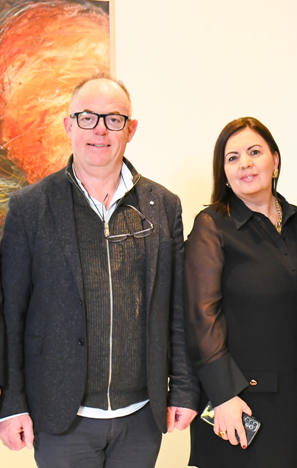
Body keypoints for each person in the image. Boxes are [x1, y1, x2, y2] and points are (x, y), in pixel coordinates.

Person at [0, 75, 199, 467]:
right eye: (87, 117)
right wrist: (11, 403)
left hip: (141, 416)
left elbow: (177, 308)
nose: (100, 130)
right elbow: (10, 315)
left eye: (113, 119)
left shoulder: (163, 205)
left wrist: (184, 388)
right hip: (59, 417)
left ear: (131, 129)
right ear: (68, 125)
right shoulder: (30, 207)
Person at [183, 117, 297, 467]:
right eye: (232, 158)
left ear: (275, 160)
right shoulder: (212, 226)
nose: (244, 163)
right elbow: (201, 318)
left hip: (296, 399)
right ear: (224, 172)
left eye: (254, 152)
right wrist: (224, 395)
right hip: (239, 402)